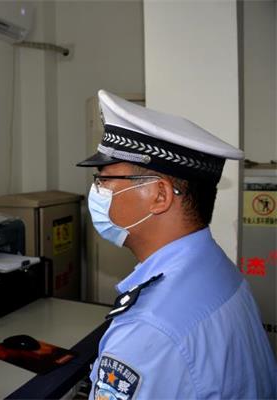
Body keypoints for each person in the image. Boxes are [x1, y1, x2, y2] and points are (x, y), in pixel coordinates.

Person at [77, 90, 277, 399]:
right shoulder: (218, 269)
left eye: (104, 180)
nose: (97, 191)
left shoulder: (149, 331)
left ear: (159, 196)